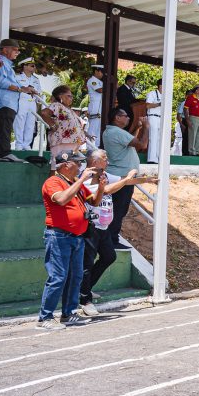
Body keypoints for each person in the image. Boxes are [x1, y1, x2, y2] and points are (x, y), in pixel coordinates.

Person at [79, 149, 155, 316]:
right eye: (104, 158)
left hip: (103, 228)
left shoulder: (105, 175)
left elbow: (124, 182)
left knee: (109, 256)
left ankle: (86, 288)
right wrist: (127, 179)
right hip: (90, 227)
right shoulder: (86, 177)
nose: (108, 161)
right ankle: (84, 300)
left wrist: (146, 179)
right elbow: (106, 190)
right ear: (94, 162)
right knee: (87, 264)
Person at [37, 150, 97, 330]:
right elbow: (61, 200)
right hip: (59, 235)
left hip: (76, 236)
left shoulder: (72, 182)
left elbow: (93, 200)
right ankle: (44, 318)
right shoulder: (53, 181)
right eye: (77, 163)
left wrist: (101, 185)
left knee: (75, 276)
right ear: (65, 164)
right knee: (58, 277)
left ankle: (68, 313)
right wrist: (81, 180)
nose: (80, 166)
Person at [102, 107, 148, 248]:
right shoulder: (117, 132)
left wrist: (138, 129)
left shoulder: (112, 131)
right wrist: (146, 128)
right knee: (119, 210)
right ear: (117, 118)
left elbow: (128, 141)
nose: (128, 118)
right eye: (125, 115)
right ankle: (112, 241)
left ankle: (110, 240)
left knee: (116, 209)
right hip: (123, 177)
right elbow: (142, 145)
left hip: (118, 175)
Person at [0, 39, 37, 162]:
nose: (18, 52)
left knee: (0, 128)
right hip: (4, 101)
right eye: (15, 50)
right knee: (4, 128)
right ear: (5, 50)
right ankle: (4, 153)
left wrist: (24, 88)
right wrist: (20, 89)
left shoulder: (7, 63)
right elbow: (2, 82)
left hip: (8, 102)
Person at [39, 85, 87, 157]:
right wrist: (53, 125)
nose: (71, 98)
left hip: (73, 144)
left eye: (72, 96)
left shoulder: (68, 109)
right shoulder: (57, 105)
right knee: (63, 166)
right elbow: (44, 113)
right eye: (69, 96)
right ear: (60, 96)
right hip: (62, 144)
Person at [14, 57, 42, 151]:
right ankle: (19, 144)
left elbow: (39, 92)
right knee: (19, 124)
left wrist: (37, 94)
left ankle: (27, 144)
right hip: (21, 102)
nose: (34, 67)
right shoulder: (17, 77)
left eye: (34, 66)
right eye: (32, 65)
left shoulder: (36, 79)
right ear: (24, 66)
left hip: (32, 103)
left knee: (30, 125)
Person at [144, 78, 163, 164]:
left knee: (160, 138)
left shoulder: (165, 95)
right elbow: (147, 105)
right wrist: (159, 104)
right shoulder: (152, 94)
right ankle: (151, 158)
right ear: (160, 86)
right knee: (153, 137)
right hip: (153, 117)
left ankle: (159, 158)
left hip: (161, 118)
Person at [85, 65, 104, 144]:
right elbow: (99, 90)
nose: (102, 74)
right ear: (96, 71)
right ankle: (90, 147)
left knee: (98, 128)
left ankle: (96, 146)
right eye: (101, 72)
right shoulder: (92, 80)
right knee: (93, 128)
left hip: (100, 107)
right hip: (94, 107)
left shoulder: (101, 82)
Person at [184, 85, 199, 156]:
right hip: (193, 118)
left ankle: (197, 151)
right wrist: (187, 119)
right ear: (196, 91)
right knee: (193, 135)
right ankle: (191, 151)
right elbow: (185, 109)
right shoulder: (190, 98)